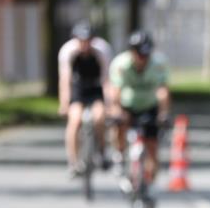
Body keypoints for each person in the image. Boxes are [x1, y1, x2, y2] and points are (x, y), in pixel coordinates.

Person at [106, 30, 171, 197]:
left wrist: (163, 114)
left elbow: (163, 91)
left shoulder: (158, 64)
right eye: (139, 55)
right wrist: (116, 111)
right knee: (119, 126)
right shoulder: (121, 64)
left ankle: (148, 185)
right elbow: (115, 91)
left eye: (146, 55)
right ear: (131, 52)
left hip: (149, 106)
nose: (143, 59)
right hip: (127, 105)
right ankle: (119, 156)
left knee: (152, 147)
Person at [58, 21, 112, 177]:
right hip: (78, 88)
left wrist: (108, 104)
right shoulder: (68, 51)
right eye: (81, 41)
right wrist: (64, 103)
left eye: (87, 40)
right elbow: (65, 79)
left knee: (99, 117)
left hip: (96, 87)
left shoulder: (102, 50)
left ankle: (102, 151)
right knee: (74, 121)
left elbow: (106, 80)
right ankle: (73, 161)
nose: (84, 45)